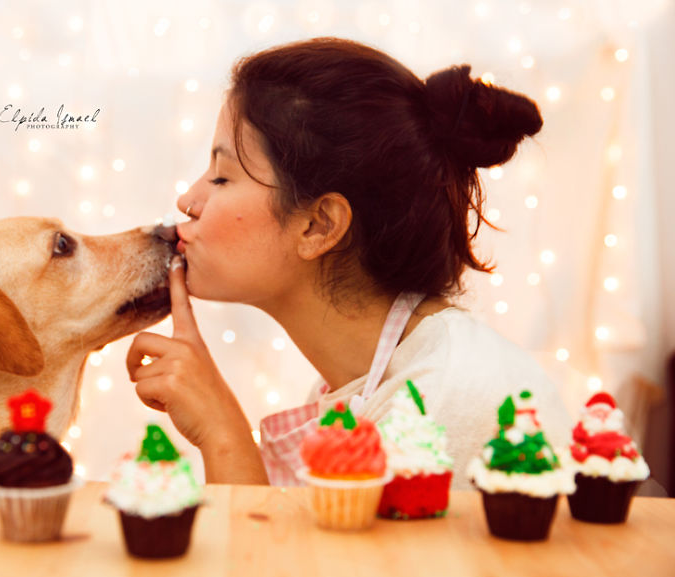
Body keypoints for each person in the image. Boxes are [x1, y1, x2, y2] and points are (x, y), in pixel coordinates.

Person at [125, 37, 571, 488]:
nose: (188, 200)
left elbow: (289, 563)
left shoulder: (443, 400)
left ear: (319, 225)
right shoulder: (357, 390)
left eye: (221, 176)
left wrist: (221, 430)